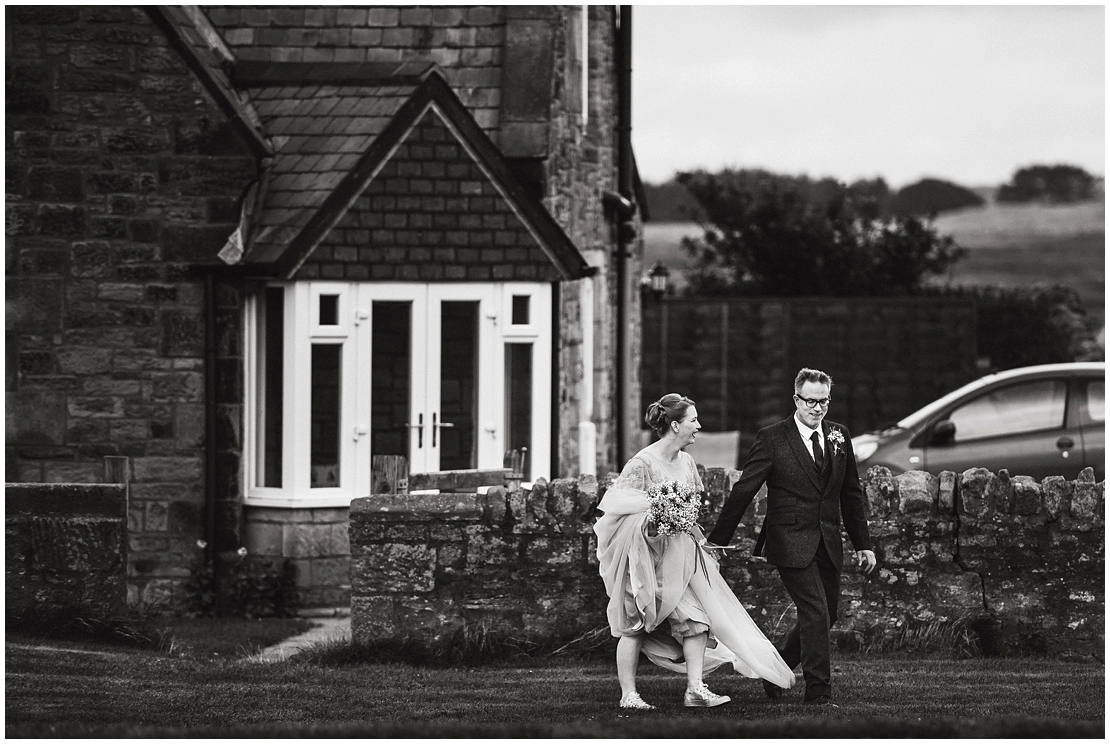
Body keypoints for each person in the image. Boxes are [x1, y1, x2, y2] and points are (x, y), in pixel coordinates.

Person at [594, 393, 795, 710]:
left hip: (682, 558)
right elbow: (617, 514)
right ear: (675, 425)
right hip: (644, 558)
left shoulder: (687, 463)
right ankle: (628, 695)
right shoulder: (641, 464)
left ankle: (695, 690)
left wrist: (700, 541)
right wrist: (656, 522)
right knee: (633, 625)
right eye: (693, 420)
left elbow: (690, 513)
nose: (699, 426)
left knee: (697, 620)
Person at [705, 368, 876, 708]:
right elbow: (745, 489)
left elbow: (851, 494)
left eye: (823, 401)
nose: (817, 408)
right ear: (796, 399)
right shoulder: (773, 438)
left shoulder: (839, 436)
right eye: (810, 401)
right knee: (814, 611)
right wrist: (717, 539)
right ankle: (819, 693)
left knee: (829, 614)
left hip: (827, 539)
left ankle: (776, 667)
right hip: (788, 540)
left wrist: (864, 544)